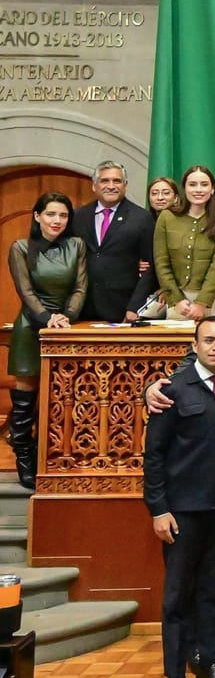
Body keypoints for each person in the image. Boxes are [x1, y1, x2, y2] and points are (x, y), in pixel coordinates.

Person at [143, 316, 215, 678]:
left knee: (213, 590)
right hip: (182, 511)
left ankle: (207, 663)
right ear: (195, 344)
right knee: (178, 595)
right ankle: (175, 673)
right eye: (209, 340)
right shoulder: (172, 390)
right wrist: (158, 509)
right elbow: (154, 454)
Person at [7, 191, 86, 488]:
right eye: (51, 214)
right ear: (37, 216)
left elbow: (80, 287)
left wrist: (66, 316)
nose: (57, 220)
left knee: (64, 395)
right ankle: (24, 457)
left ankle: (53, 455)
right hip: (31, 324)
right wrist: (47, 319)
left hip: (66, 325)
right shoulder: (21, 248)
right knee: (26, 395)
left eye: (63, 215)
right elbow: (25, 292)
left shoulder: (76, 245)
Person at [72, 160, 157, 322]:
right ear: (94, 185)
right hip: (83, 308)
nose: (111, 186)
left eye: (117, 181)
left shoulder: (141, 218)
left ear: (125, 185)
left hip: (123, 309)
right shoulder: (79, 216)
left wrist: (135, 307)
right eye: (105, 181)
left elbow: (151, 268)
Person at [154, 165, 215, 321]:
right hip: (178, 298)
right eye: (192, 184)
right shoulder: (167, 217)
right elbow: (161, 262)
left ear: (212, 189)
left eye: (204, 184)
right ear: (184, 188)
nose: (198, 189)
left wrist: (202, 303)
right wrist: (176, 299)